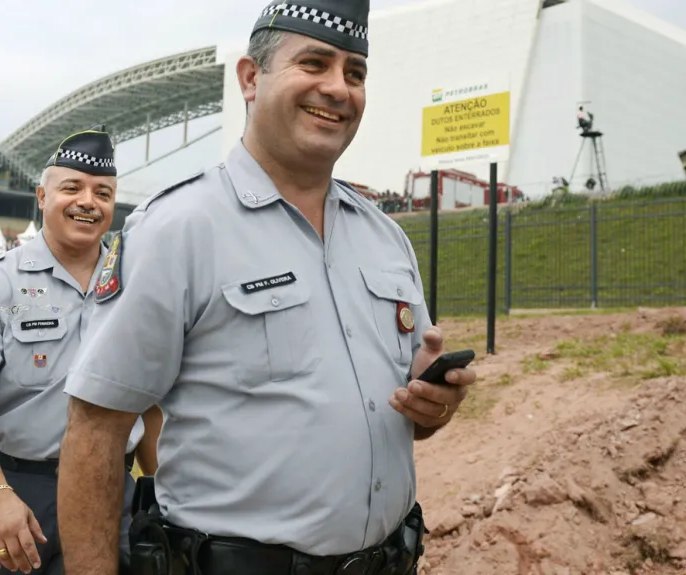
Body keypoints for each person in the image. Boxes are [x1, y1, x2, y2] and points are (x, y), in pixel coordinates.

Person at [56, 2, 479, 574]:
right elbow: (97, 429)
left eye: (355, 73)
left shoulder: (385, 238)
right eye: (315, 63)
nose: (338, 88)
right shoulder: (180, 228)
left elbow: (401, 420)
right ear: (251, 79)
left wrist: (431, 406)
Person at [0, 125, 161, 575]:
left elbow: (151, 400)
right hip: (18, 486)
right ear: (42, 197)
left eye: (103, 192)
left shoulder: (137, 286)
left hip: (111, 490)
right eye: (72, 188)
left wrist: (161, 492)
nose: (88, 201)